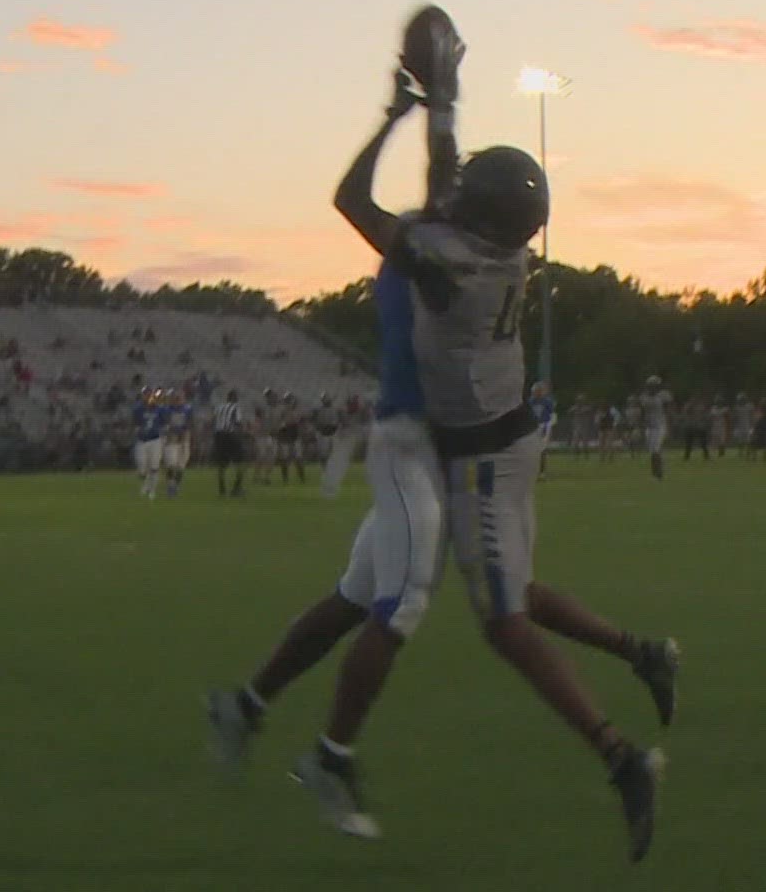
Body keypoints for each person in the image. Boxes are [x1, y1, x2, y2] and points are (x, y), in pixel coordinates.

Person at [275, 50, 671, 859]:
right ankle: (644, 653)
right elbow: (452, 186)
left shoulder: (448, 267)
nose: (453, 195)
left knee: (504, 624)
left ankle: (621, 758)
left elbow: (354, 201)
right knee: (513, 588)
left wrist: (398, 115)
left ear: (480, 217)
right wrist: (444, 105)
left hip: (482, 459)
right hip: (498, 438)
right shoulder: (499, 255)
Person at [132, 388, 166, 500]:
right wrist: (137, 430)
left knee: (154, 466)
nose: (147, 397)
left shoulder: (159, 409)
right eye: (145, 395)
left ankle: (152, 490)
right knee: (142, 467)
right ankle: (146, 483)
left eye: (149, 394)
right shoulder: (138, 409)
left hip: (155, 439)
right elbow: (135, 423)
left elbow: (164, 423)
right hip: (141, 440)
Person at [213, 389, 247, 498]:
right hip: (230, 435)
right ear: (235, 398)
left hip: (219, 435)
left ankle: (222, 488)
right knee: (240, 461)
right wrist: (243, 436)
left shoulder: (219, 408)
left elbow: (213, 420)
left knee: (222, 462)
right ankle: (237, 488)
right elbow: (238, 423)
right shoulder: (236, 408)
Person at [639, 376, 673, 481]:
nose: (652, 387)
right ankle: (655, 473)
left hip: (660, 426)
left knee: (656, 450)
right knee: (653, 452)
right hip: (650, 427)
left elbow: (668, 411)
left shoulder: (663, 396)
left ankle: (659, 474)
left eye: (654, 385)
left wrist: (669, 426)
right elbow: (642, 412)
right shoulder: (644, 397)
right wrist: (641, 426)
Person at [531, 381, 557, 476]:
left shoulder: (547, 402)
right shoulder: (531, 401)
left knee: (542, 450)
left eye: (537, 391)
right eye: (534, 391)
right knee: (533, 450)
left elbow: (553, 415)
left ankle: (542, 471)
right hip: (533, 427)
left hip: (544, 426)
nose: (535, 393)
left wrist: (549, 426)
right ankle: (534, 469)